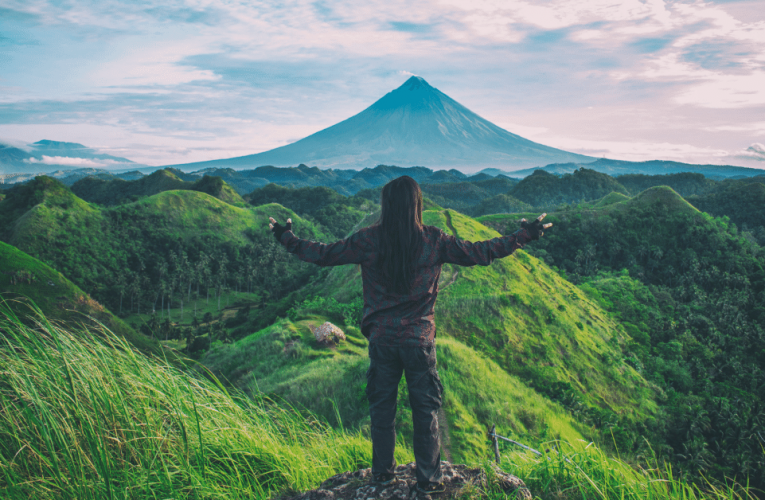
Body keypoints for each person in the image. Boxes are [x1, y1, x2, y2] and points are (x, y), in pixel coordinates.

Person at [269, 175, 550, 498]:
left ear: (386, 206)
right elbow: (480, 252)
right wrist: (522, 236)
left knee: (382, 410)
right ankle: (429, 480)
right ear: (417, 205)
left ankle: (382, 477)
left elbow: (323, 254)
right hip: (418, 341)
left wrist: (286, 238)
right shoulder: (434, 240)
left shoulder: (368, 240)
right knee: (426, 410)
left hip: (383, 341)